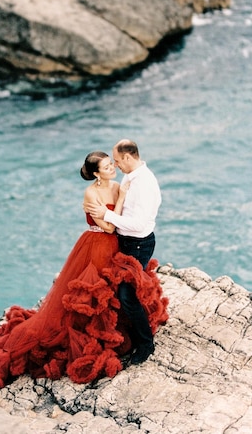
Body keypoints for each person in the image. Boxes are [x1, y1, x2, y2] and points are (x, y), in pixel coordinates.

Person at [0, 150, 168, 395]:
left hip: (115, 246)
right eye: (107, 166)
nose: (113, 168)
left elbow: (126, 216)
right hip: (97, 246)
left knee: (114, 293)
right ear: (96, 173)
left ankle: (125, 332)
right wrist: (119, 202)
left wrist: (121, 199)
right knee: (90, 297)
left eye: (113, 163)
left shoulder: (118, 185)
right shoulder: (92, 193)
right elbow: (109, 226)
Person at [84, 139, 162, 365]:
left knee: (127, 294)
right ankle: (128, 334)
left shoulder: (144, 184)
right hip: (124, 242)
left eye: (117, 161)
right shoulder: (130, 176)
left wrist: (104, 215)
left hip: (138, 244)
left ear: (128, 158)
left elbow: (137, 224)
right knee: (118, 292)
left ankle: (146, 344)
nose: (115, 166)